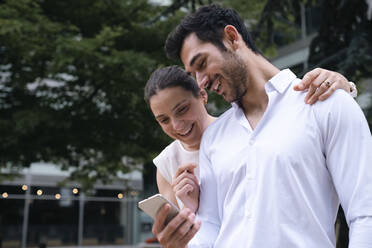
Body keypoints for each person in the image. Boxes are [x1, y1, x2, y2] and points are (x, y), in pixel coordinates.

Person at [151, 4, 372, 248]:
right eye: (193, 73)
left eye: (201, 63)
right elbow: (210, 227)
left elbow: (365, 214)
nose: (200, 83)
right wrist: (181, 243)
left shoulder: (326, 105)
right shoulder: (214, 137)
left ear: (232, 38)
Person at [145, 66, 356, 247]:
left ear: (203, 95)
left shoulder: (243, 128)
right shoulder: (166, 165)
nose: (177, 125)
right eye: (163, 120)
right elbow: (182, 241)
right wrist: (189, 213)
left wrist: (345, 89)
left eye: (182, 109)